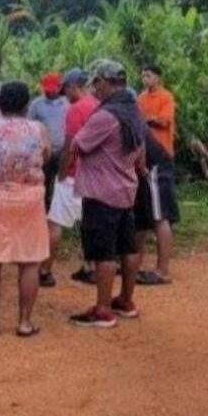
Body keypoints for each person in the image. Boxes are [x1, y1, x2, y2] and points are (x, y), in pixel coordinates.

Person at [68, 60, 146, 329]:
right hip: (125, 188)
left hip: (102, 191)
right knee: (128, 247)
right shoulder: (133, 110)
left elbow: (78, 143)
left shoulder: (105, 116)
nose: (95, 89)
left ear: (107, 81)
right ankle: (125, 299)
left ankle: (102, 309)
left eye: (97, 83)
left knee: (104, 251)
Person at [0, 82, 50, 337]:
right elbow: (45, 155)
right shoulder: (38, 129)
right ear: (27, 105)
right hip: (29, 198)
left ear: (0, 104)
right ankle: (25, 322)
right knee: (30, 260)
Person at [38, 68, 98, 287]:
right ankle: (90, 267)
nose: (64, 94)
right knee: (88, 223)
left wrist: (62, 173)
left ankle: (45, 271)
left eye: (66, 89)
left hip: (73, 173)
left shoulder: (76, 109)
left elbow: (70, 146)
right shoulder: (97, 104)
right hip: (94, 174)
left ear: (74, 86)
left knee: (54, 223)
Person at [133, 131, 180, 285]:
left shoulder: (127, 115)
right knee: (140, 217)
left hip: (153, 166)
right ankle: (134, 263)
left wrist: (141, 165)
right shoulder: (128, 112)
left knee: (159, 216)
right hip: (145, 166)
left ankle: (162, 270)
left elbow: (141, 142)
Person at [27, 71, 69, 207]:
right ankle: (42, 209)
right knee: (43, 182)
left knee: (61, 183)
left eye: (54, 89)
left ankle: (58, 210)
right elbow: (29, 126)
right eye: (48, 90)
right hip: (43, 152)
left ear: (59, 87)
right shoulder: (36, 105)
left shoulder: (67, 103)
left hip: (63, 151)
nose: (51, 92)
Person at [137, 64, 176, 159]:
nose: (145, 79)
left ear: (157, 78)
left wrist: (146, 120)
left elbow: (164, 121)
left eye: (148, 76)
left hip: (162, 149)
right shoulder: (141, 98)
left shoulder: (166, 96)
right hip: (145, 150)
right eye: (143, 76)